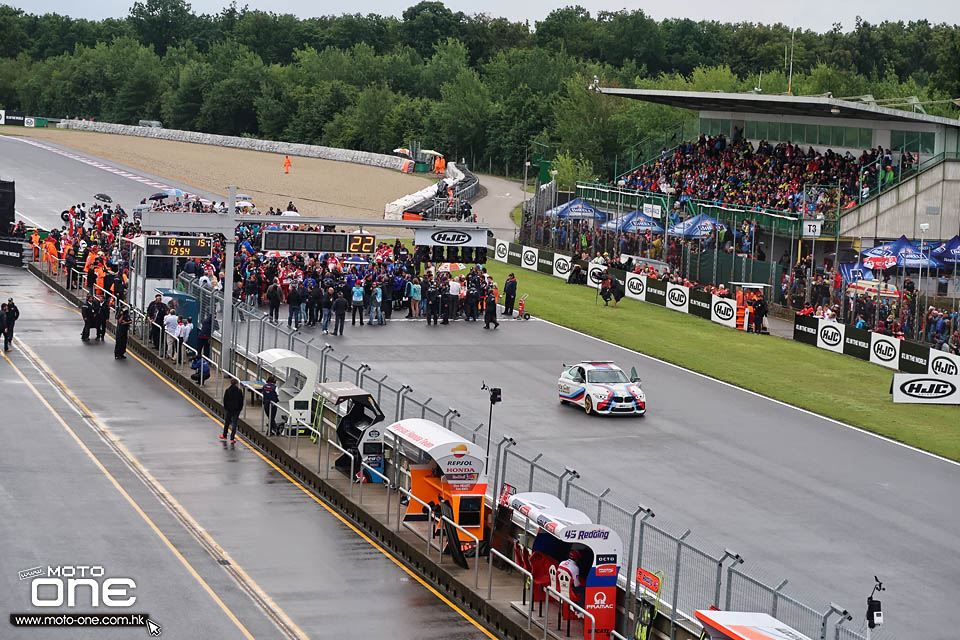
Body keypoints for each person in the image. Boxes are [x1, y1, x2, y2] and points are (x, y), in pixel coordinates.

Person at [221, 378, 244, 443]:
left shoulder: (227, 390)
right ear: (236, 384)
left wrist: (226, 408)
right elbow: (241, 401)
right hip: (236, 409)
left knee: (227, 422)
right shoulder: (239, 391)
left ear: (231, 383)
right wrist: (240, 408)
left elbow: (225, 400)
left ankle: (224, 435)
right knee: (234, 424)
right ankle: (232, 438)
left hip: (229, 409)